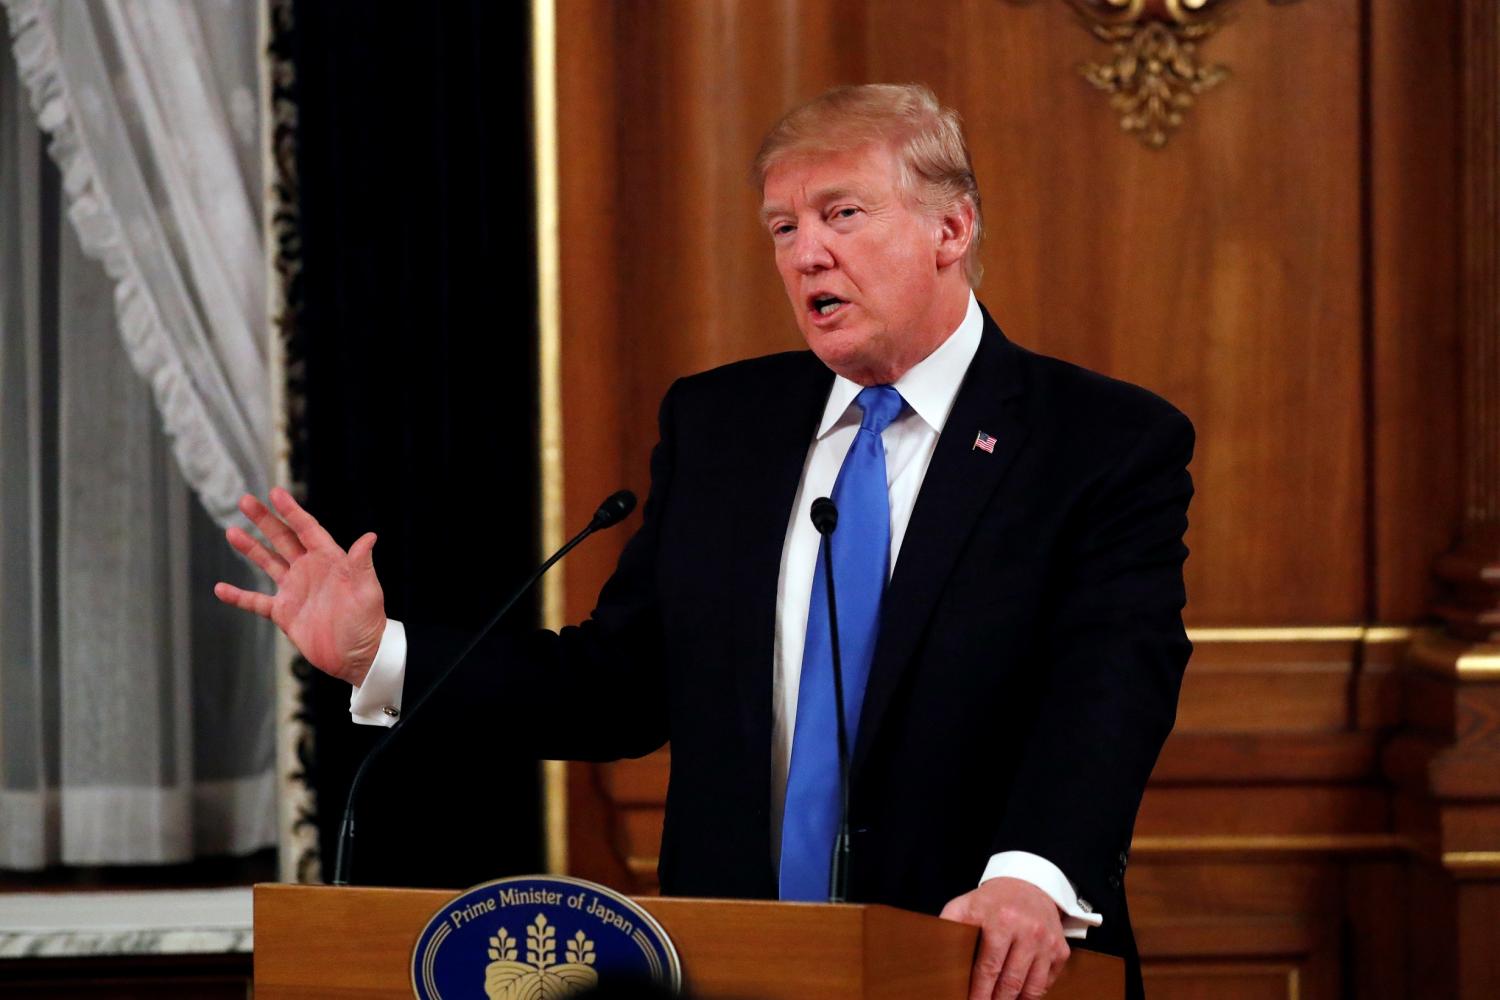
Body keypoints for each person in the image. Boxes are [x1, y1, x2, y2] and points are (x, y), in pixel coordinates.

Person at [216, 84, 1193, 1000]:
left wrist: (1032, 877)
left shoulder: (1098, 442)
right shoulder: (724, 425)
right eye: (783, 226)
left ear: (952, 227)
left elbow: (1111, 679)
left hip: (984, 960)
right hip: (736, 965)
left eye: (841, 215)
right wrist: (375, 653)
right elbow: (618, 683)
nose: (806, 253)